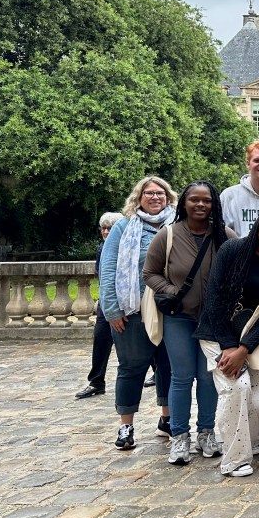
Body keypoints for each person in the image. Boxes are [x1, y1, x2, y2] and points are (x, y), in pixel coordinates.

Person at [195, 210, 259, 477]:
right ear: (257, 227)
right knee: (236, 388)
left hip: (253, 339)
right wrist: (230, 346)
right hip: (217, 335)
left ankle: (250, 442)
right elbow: (213, 299)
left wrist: (244, 348)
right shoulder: (232, 250)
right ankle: (234, 460)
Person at [144, 181, 236, 465]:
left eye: (206, 200)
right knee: (182, 377)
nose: (200, 205)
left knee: (208, 377)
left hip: (213, 320)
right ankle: (179, 436)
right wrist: (172, 291)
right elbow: (150, 273)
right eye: (194, 200)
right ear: (183, 202)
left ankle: (206, 432)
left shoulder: (225, 236)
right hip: (179, 317)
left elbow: (238, 272)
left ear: (213, 204)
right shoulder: (167, 235)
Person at [99, 177, 176, 450]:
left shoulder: (177, 225)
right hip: (131, 311)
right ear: (138, 197)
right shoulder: (123, 227)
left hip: (170, 309)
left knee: (168, 366)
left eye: (160, 193)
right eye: (148, 193)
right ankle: (125, 425)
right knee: (131, 368)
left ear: (168, 197)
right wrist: (111, 309)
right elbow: (108, 269)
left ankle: (167, 420)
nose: (155, 197)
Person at [75, 212, 123, 400]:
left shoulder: (127, 246)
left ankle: (157, 373)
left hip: (126, 302)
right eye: (103, 228)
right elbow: (101, 275)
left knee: (138, 342)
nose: (105, 231)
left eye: (109, 228)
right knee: (101, 340)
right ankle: (96, 382)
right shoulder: (102, 248)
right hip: (106, 302)